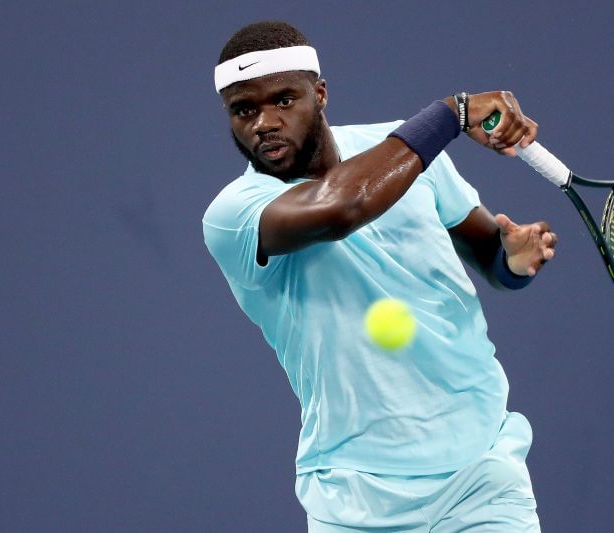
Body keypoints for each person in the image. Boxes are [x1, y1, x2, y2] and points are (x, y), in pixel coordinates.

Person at [203, 20, 556, 532]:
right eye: (244, 110)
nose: (263, 123)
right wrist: (451, 114)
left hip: (481, 475)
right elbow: (342, 207)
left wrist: (513, 261)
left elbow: (490, 259)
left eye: (283, 100)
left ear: (319, 94)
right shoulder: (235, 214)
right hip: (357, 499)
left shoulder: (406, 154)